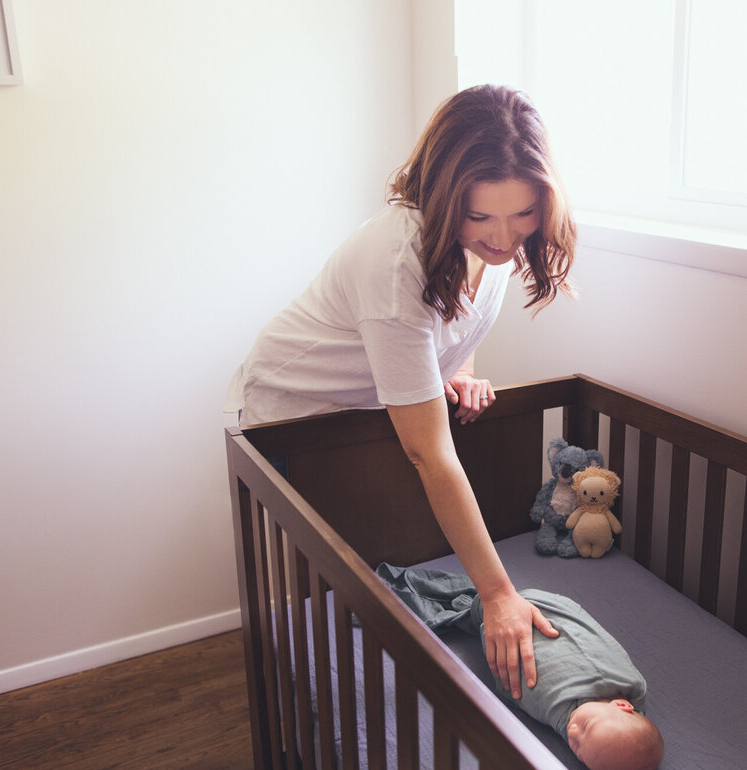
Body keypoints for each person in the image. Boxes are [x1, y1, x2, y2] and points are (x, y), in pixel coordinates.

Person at [225, 85, 577, 700]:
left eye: (522, 214)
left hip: (370, 406)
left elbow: (447, 337)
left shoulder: (492, 254)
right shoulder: (397, 262)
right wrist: (499, 595)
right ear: (444, 203)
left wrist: (456, 373)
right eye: (479, 217)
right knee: (316, 583)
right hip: (297, 413)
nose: (503, 238)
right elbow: (428, 452)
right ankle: (307, 707)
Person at [376, 564, 665, 770]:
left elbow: (531, 699)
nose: (573, 732)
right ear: (623, 705)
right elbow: (590, 641)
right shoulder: (627, 685)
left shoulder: (578, 724)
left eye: (577, 749)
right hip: (543, 610)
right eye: (586, 727)